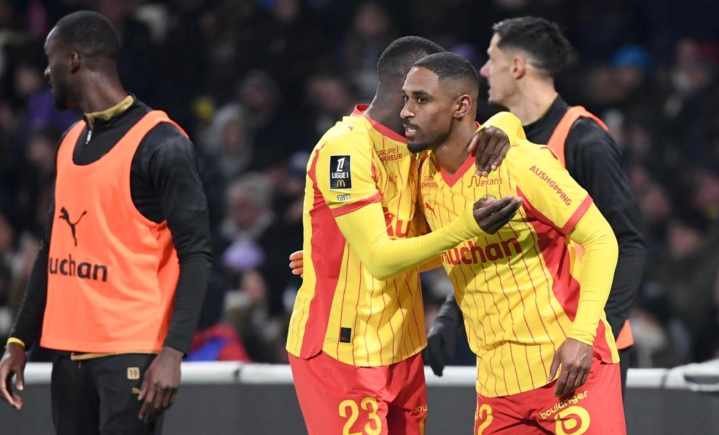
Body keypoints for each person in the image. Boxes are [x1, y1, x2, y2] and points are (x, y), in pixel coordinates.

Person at [286, 36, 522, 435]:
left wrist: (504, 124)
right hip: (344, 348)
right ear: (408, 93)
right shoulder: (344, 149)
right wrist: (469, 228)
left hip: (403, 346)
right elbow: (380, 259)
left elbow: (427, 247)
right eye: (427, 96)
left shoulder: (423, 147)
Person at [0, 11, 212, 435]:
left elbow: (197, 254)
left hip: (130, 354)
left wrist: (173, 352)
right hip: (68, 357)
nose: (46, 72)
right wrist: (19, 340)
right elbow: (51, 250)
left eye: (51, 58)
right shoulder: (69, 142)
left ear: (74, 59)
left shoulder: (162, 142)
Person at [403, 52, 625, 434]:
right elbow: (419, 250)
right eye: (405, 98)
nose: (406, 111)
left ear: (461, 106)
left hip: (570, 368)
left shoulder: (519, 163)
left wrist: (582, 336)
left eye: (421, 99)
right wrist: (338, 259)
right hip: (498, 391)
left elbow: (601, 238)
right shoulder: (419, 177)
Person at [427, 17, 647, 396]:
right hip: (525, 349)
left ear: (517, 66)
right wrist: (452, 312)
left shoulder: (583, 139)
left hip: (579, 348)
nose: (484, 71)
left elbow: (628, 243)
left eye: (492, 59)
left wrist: (595, 335)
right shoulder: (497, 143)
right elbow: (502, 246)